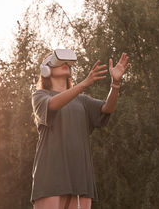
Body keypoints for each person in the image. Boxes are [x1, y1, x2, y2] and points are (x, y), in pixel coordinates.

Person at [30, 49, 129, 209]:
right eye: (57, 61)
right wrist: (84, 83)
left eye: (67, 62)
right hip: (50, 177)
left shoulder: (82, 101)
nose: (64, 64)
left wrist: (115, 83)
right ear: (46, 69)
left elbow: (107, 108)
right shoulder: (40, 96)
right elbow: (53, 104)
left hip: (80, 178)